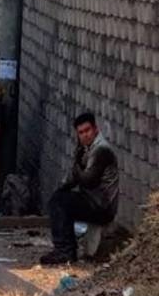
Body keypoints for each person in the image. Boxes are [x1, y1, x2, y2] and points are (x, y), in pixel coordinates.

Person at [41, 113, 119, 265]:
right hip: (92, 201)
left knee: (62, 202)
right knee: (59, 199)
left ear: (95, 129)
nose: (85, 135)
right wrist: (61, 188)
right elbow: (73, 178)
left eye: (88, 130)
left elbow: (88, 180)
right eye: (81, 132)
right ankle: (64, 249)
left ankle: (65, 251)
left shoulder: (101, 150)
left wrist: (77, 166)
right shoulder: (87, 149)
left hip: (102, 206)